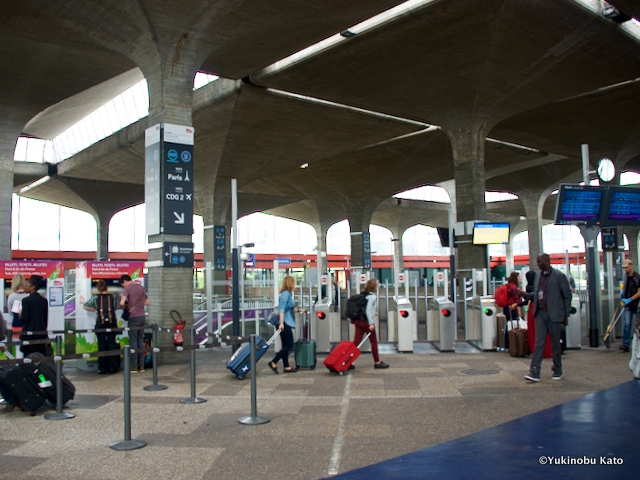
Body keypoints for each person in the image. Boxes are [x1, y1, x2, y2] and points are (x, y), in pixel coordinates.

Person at [525, 254, 572, 382]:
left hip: (554, 314)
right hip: (540, 313)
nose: (538, 264)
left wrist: (565, 314)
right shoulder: (538, 276)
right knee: (539, 342)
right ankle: (534, 371)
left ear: (546, 261)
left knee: (555, 343)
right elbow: (537, 294)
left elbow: (567, 295)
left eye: (539, 261)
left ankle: (557, 369)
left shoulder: (558, 276)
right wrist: (526, 295)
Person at [268, 276, 305, 374]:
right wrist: (281, 323)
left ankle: (286, 366)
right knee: (289, 345)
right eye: (293, 282)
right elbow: (282, 309)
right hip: (284, 323)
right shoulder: (285, 294)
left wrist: (299, 310)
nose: (294, 284)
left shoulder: (287, 294)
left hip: (285, 322)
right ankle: (274, 361)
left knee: (285, 345)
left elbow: (289, 308)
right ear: (290, 283)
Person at [83, 279, 120, 374]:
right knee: (112, 345)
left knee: (102, 345)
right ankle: (112, 367)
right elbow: (115, 308)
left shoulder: (96, 298)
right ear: (107, 287)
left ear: (98, 288)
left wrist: (95, 311)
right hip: (112, 324)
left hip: (100, 324)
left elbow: (85, 306)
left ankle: (102, 368)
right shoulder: (113, 297)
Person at [352, 279, 389, 369]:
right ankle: (377, 362)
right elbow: (368, 311)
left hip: (358, 322)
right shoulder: (372, 297)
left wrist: (373, 313)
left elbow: (364, 309)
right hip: (366, 323)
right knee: (374, 342)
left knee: (356, 343)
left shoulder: (363, 295)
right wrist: (371, 323)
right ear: (375, 287)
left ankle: (349, 361)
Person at [119, 275, 149, 373]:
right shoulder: (141, 287)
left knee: (133, 341)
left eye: (122, 284)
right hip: (142, 317)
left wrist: (126, 308)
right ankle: (142, 366)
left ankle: (133, 366)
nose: (123, 286)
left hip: (134, 317)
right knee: (140, 340)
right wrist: (139, 304)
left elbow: (122, 303)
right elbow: (147, 302)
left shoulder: (127, 289)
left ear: (124, 281)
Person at [524, 270, 552, 359]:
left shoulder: (528, 287)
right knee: (543, 330)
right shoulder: (538, 285)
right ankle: (547, 350)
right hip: (539, 307)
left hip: (532, 308)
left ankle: (535, 351)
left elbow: (527, 300)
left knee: (532, 330)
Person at [19, 275, 49, 356]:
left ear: (33, 287)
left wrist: (20, 315)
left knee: (28, 359)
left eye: (26, 285)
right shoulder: (44, 300)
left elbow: (25, 318)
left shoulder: (26, 300)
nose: (24, 287)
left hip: (29, 334)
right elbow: (45, 318)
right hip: (41, 334)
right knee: (40, 358)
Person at [619, 259, 640, 353]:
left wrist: (630, 299)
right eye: (624, 268)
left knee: (638, 325)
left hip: (637, 304)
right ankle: (626, 344)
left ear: (631, 265)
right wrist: (623, 292)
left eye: (626, 267)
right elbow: (625, 285)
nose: (625, 269)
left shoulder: (637, 277)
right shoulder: (626, 276)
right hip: (628, 305)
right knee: (627, 324)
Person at [503, 272, 525, 349]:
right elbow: (517, 300)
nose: (520, 279)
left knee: (509, 325)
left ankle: (507, 345)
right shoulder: (514, 288)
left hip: (506, 308)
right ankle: (513, 344)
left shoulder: (507, 286)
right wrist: (519, 311)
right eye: (519, 277)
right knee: (513, 326)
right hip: (512, 308)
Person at [7, 274, 28, 349]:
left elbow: (10, 312)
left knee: (18, 349)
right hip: (27, 326)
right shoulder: (28, 295)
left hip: (16, 324)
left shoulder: (12, 296)